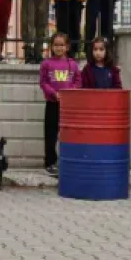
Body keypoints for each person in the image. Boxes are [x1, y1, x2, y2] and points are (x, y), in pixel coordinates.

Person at [39, 33, 80, 177]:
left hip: (68, 106)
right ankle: (50, 162)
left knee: (68, 134)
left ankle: (67, 160)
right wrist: (53, 93)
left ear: (67, 47)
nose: (59, 48)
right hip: (52, 104)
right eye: (56, 45)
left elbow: (77, 82)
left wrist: (69, 93)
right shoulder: (46, 64)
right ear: (51, 46)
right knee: (50, 134)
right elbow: (43, 82)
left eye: (62, 45)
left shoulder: (73, 64)